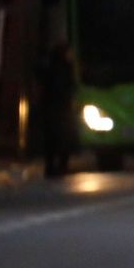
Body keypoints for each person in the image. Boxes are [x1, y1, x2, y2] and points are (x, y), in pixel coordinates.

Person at [36, 40, 77, 178]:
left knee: (54, 139)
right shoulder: (62, 68)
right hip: (59, 108)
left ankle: (54, 165)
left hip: (54, 107)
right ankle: (58, 165)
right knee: (60, 138)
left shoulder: (55, 67)